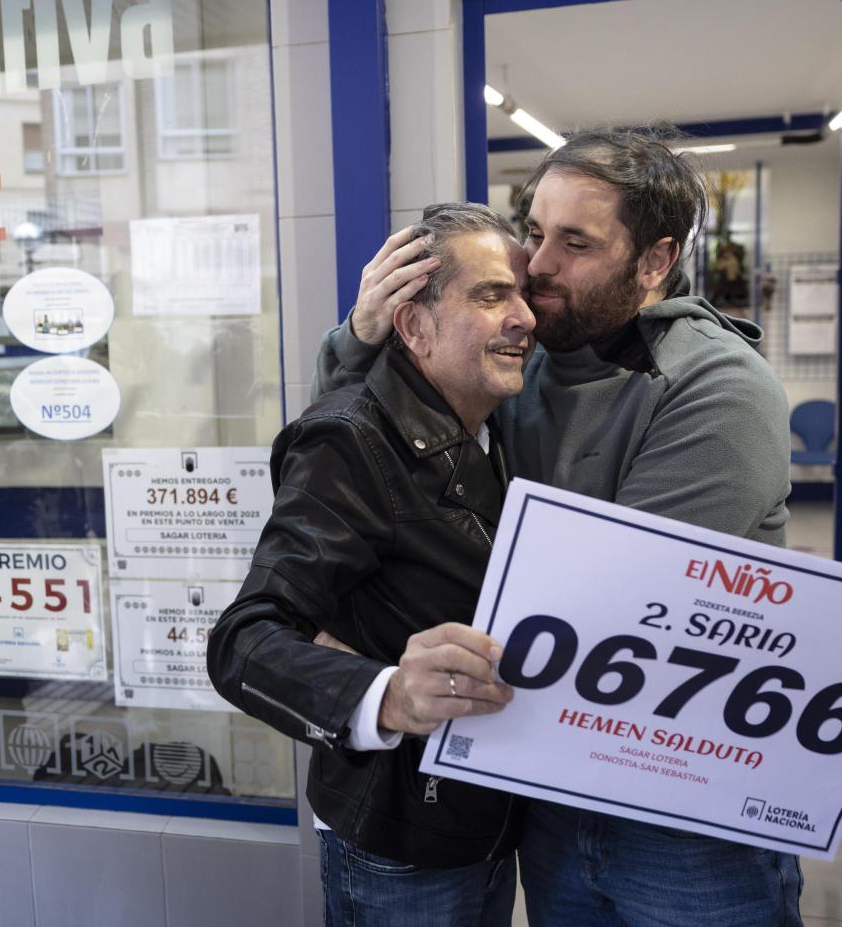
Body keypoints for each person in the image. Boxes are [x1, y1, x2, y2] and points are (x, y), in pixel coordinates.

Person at [316, 127, 801, 925]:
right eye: (535, 232)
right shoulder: (529, 352)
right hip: (550, 788)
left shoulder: (718, 387)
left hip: (682, 808)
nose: (536, 266)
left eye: (574, 243)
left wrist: (364, 640)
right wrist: (360, 338)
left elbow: (613, 600)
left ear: (654, 261)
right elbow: (348, 453)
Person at [208, 203, 534, 927]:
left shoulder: (495, 426)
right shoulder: (349, 443)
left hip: (486, 824)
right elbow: (244, 641)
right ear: (414, 325)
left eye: (522, 294)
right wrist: (385, 692)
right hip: (398, 843)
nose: (524, 318)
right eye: (489, 296)